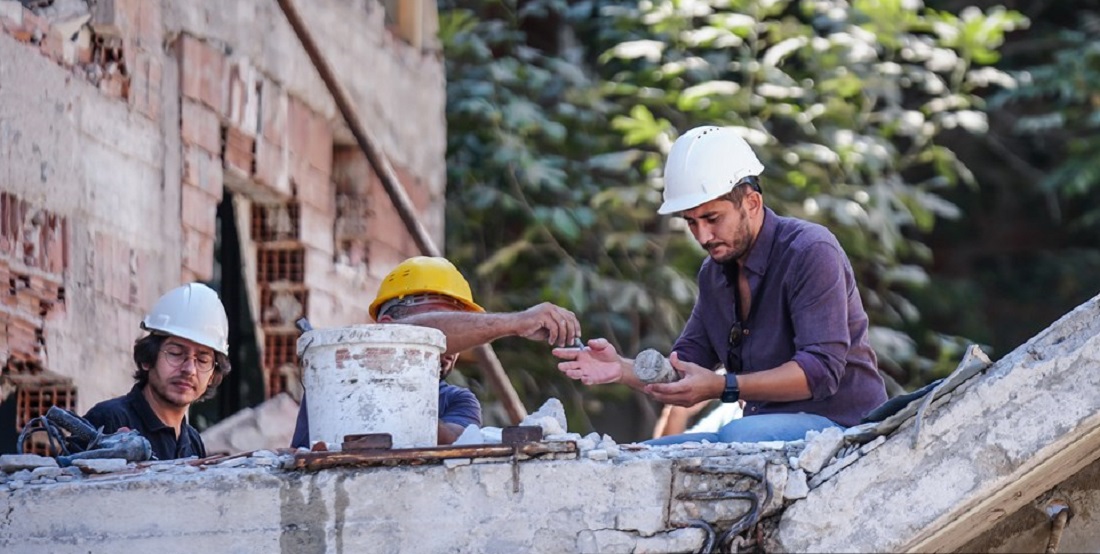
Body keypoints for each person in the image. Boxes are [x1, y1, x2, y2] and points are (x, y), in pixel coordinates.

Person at [554, 125, 887, 444]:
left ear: (752, 204)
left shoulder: (811, 250)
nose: (702, 236)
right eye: (691, 223)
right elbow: (685, 368)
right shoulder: (714, 273)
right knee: (649, 455)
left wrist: (723, 387)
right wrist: (622, 369)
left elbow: (819, 373)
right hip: (760, 433)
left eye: (712, 219)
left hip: (842, 426)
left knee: (734, 437)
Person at [291, 256, 581, 448]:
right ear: (386, 328)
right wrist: (514, 323)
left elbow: (450, 439)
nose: (447, 348)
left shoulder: (456, 401)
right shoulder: (341, 376)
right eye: (435, 333)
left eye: (461, 331)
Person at [84, 283, 232, 460]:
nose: (189, 370)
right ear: (148, 359)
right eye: (176, 354)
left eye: (202, 360)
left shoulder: (192, 442)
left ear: (212, 376)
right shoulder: (109, 420)